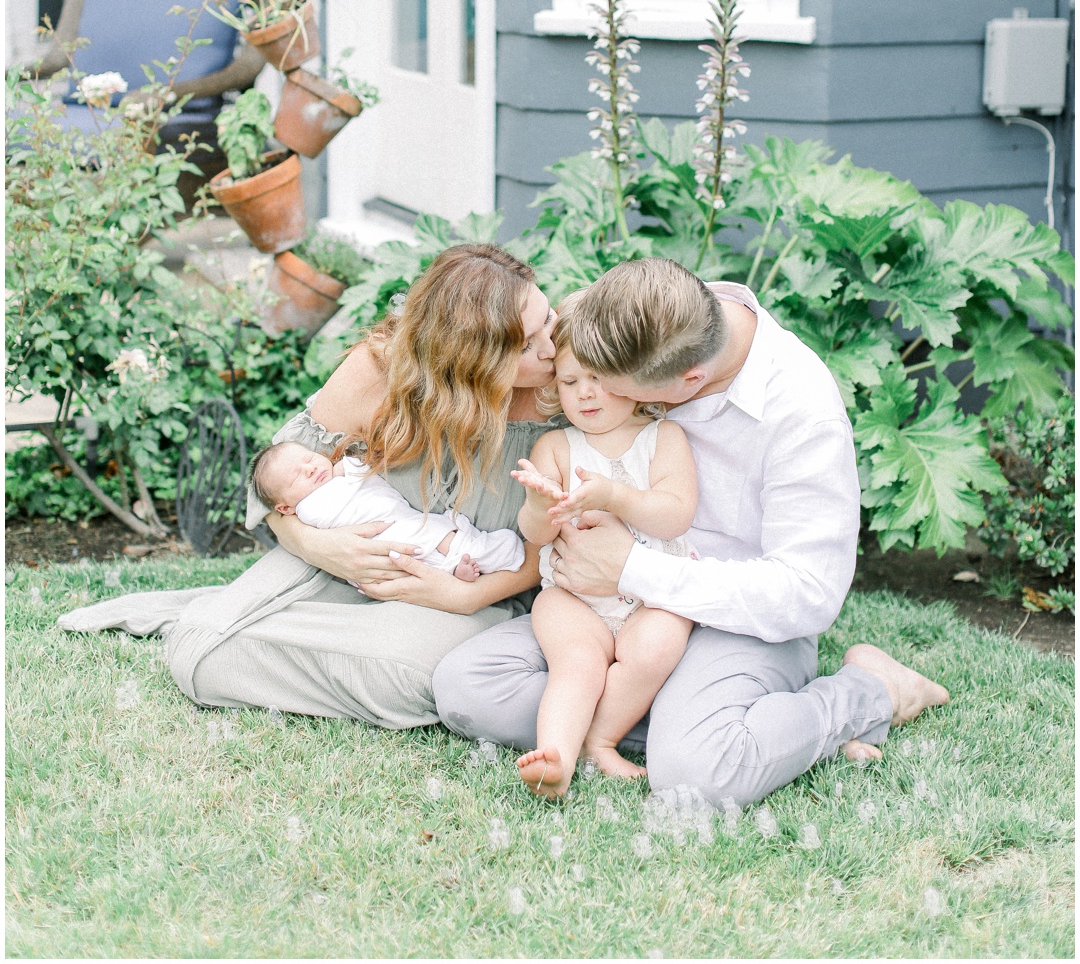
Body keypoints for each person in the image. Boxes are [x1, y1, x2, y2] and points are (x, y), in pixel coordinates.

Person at [433, 258, 949, 807]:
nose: (594, 397)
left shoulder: (802, 414)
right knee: (468, 688)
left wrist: (630, 567)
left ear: (689, 382)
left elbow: (808, 594)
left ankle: (868, 692)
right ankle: (718, 721)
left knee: (695, 774)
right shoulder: (645, 318)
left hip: (737, 618)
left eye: (616, 389)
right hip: (604, 610)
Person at [59, 243, 557, 729]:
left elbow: (553, 554)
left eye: (548, 319)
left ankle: (272, 636)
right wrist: (321, 546)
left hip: (479, 588)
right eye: (526, 344)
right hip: (340, 568)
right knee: (199, 651)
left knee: (405, 677)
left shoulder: (565, 396)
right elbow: (278, 489)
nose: (551, 350)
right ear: (470, 357)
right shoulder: (380, 370)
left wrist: (462, 597)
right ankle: (244, 630)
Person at [510, 302, 697, 797]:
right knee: (576, 664)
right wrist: (537, 503)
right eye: (570, 382)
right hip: (573, 597)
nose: (585, 393)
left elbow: (676, 513)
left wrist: (617, 496)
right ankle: (556, 757)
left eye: (598, 377)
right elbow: (536, 535)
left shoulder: (663, 437)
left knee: (655, 648)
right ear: (555, 390)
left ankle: (602, 739)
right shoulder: (555, 448)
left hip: (652, 594)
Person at [249, 439, 525, 582]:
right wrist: (343, 467)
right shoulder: (309, 509)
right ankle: (490, 554)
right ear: (285, 507)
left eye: (309, 458)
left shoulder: (332, 481)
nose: (310, 469)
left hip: (397, 527)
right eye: (297, 476)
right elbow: (356, 470)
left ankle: (454, 569)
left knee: (429, 543)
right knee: (434, 537)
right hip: (388, 535)